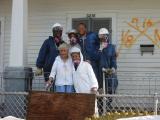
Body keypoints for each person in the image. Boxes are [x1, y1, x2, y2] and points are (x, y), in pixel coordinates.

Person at [70, 46, 98, 115]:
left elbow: (92, 77)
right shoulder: (72, 67)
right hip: (79, 94)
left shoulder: (86, 65)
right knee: (82, 111)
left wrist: (94, 87)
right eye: (73, 56)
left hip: (89, 92)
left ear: (80, 56)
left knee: (93, 110)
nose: (74, 58)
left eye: (76, 56)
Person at [98, 28, 118, 112]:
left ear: (107, 36)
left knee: (111, 90)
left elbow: (113, 59)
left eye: (105, 36)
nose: (103, 38)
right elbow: (95, 58)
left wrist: (113, 68)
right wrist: (100, 49)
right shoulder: (96, 47)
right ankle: (100, 109)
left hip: (109, 74)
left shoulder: (111, 47)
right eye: (101, 36)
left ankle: (107, 107)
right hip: (99, 73)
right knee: (100, 92)